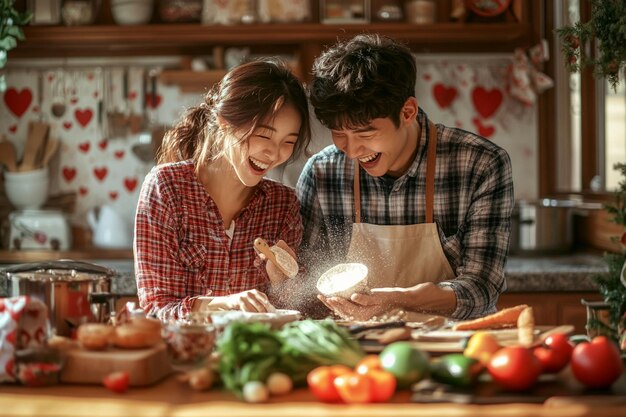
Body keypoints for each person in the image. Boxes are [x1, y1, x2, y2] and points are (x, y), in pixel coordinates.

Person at [297, 34, 514, 322]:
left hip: (450, 348)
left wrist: (399, 301)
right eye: (339, 134)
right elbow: (304, 281)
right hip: (356, 350)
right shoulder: (322, 172)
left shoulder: (480, 164)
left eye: (365, 133)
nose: (351, 150)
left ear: (407, 111)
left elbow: (481, 288)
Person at [134, 59, 311, 321]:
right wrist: (224, 304)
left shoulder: (282, 204)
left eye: (288, 142)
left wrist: (281, 283)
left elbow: (291, 314)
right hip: (185, 356)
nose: (274, 153)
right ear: (225, 122)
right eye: (263, 135)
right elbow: (155, 309)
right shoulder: (166, 188)